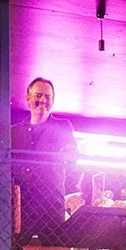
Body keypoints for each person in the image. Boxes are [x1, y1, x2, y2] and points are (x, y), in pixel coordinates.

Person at [11, 77, 78, 241]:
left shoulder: (62, 126)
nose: (43, 100)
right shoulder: (14, 131)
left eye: (48, 97)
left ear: (53, 101)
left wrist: (70, 154)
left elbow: (72, 156)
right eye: (38, 95)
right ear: (28, 99)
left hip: (50, 204)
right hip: (22, 205)